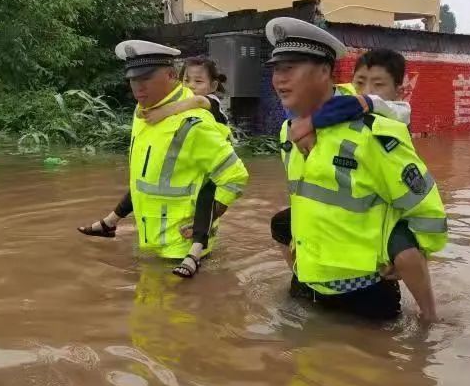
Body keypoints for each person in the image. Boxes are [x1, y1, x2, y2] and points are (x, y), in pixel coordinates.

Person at [267, 17, 447, 322]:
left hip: (364, 298)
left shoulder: (374, 134)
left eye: (290, 68)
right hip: (306, 285)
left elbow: (426, 209)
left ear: (324, 71)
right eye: (276, 69)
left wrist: (410, 254)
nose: (279, 79)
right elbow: (305, 200)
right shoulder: (289, 132)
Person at [81, 40, 248, 272]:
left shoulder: (194, 121)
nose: (137, 87)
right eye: (132, 79)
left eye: (145, 78)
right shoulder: (142, 112)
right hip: (150, 246)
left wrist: (204, 225)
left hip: (180, 253)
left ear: (171, 75)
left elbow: (235, 177)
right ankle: (109, 224)